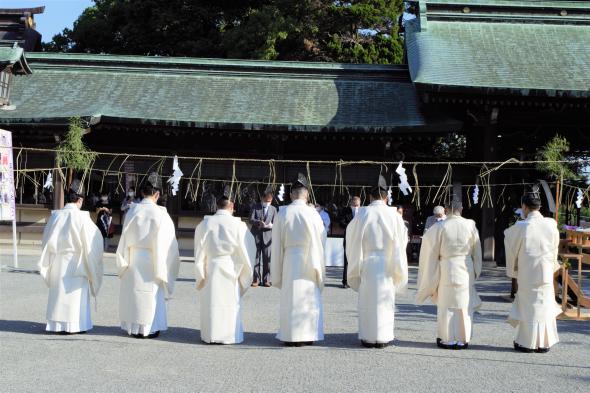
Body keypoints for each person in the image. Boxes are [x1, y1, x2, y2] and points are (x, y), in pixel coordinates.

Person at [345, 175, 408, 348]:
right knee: (385, 299)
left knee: (368, 299)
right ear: (386, 197)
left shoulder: (363, 213)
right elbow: (402, 240)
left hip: (368, 261)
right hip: (387, 263)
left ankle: (368, 336)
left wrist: (355, 259)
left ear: (370, 196)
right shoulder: (394, 214)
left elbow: (351, 237)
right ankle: (383, 336)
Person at [116, 172, 180, 339]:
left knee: (134, 294)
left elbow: (124, 237)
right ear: (157, 194)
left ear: (142, 193)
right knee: (150, 295)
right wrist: (167, 265)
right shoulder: (161, 214)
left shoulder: (131, 212)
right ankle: (150, 327)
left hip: (132, 257)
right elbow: (169, 244)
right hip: (153, 259)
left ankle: (133, 327)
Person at [38, 179, 104, 334]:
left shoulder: (56, 216)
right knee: (74, 296)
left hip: (58, 261)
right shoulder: (82, 218)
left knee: (59, 294)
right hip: (77, 261)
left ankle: (57, 325)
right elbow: (94, 242)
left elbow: (46, 240)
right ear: (80, 199)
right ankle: (76, 325)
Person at [416, 201, 482, 350]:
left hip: (447, 267)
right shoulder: (470, 224)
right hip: (466, 267)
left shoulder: (440, 226)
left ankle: (447, 339)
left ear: (446, 210)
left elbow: (429, 247)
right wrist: (477, 269)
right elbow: (477, 250)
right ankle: (462, 339)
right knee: (464, 305)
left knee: (446, 305)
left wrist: (430, 273)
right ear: (461, 209)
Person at [271, 173, 326, 346]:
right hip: (310, 257)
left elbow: (277, 242)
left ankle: (290, 334)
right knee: (309, 296)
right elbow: (322, 237)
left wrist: (277, 267)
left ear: (291, 194)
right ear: (307, 194)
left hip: (289, 258)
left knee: (290, 295)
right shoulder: (313, 214)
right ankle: (308, 333)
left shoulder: (283, 213)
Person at [504, 187, 560, 353]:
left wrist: (513, 270)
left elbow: (510, 243)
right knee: (544, 304)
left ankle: (527, 342)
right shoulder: (551, 224)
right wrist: (552, 265)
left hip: (528, 271)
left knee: (529, 306)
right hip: (546, 270)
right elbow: (555, 248)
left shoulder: (521, 226)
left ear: (525, 207)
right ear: (540, 207)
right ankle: (544, 342)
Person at [194, 196, 256, 344]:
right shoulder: (238, 225)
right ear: (232, 206)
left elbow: (199, 250)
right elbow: (248, 250)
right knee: (229, 302)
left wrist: (200, 271)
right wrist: (242, 271)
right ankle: (229, 334)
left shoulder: (205, 223)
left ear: (217, 205)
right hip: (230, 266)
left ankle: (210, 334)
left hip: (211, 266)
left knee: (211, 301)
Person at [249, 190, 277, 287]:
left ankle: (266, 280)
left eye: (269, 201)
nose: (267, 203)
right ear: (262, 198)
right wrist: (258, 222)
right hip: (256, 235)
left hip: (268, 236)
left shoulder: (273, 209)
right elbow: (251, 219)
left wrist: (271, 225)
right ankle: (255, 279)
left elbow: (276, 222)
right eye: (266, 201)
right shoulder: (255, 206)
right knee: (256, 258)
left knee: (267, 258)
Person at [339, 196, 361, 288]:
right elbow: (341, 222)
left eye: (357, 205)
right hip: (348, 237)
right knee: (347, 260)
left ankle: (358, 281)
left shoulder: (362, 211)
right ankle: (345, 281)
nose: (356, 206)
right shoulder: (345, 211)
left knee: (360, 259)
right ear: (351, 203)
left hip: (359, 238)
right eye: (354, 204)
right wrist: (352, 226)